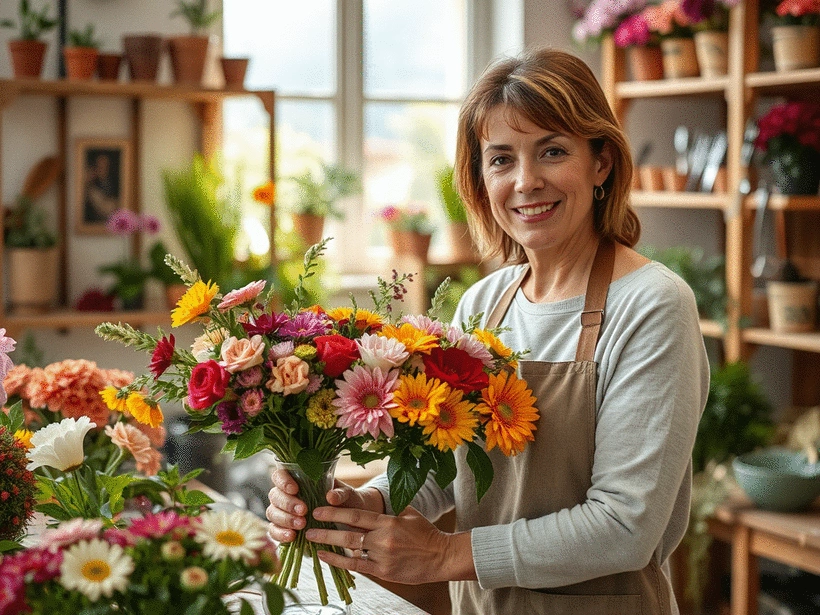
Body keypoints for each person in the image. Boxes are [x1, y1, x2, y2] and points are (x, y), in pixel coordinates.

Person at [266, 47, 709, 615]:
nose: (526, 181)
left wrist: (445, 555)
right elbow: (450, 473)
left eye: (552, 151)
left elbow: (624, 526)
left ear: (601, 163)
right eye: (501, 159)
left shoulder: (651, 305)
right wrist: (367, 504)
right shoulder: (484, 304)